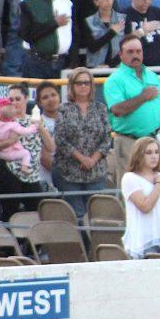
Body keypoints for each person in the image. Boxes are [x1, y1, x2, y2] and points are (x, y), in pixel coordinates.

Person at [104, 35, 160, 184]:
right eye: (130, 52)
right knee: (130, 187)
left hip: (154, 141)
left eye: (138, 51)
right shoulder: (114, 80)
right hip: (129, 142)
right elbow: (117, 110)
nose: (135, 55)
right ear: (121, 55)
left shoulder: (152, 75)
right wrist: (143, 97)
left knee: (156, 184)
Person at [51, 67, 111, 219]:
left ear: (92, 85)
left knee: (96, 215)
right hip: (69, 172)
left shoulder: (101, 108)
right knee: (76, 215)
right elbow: (60, 139)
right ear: (72, 86)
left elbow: (106, 138)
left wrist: (93, 159)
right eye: (79, 83)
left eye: (86, 83)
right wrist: (82, 158)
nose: (83, 86)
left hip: (96, 172)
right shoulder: (64, 109)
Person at [0, 83, 51, 221]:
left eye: (18, 99)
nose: (14, 103)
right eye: (11, 100)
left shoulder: (36, 120)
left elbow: (51, 147)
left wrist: (39, 127)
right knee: (10, 212)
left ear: (26, 99)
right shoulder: (4, 122)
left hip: (31, 174)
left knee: (36, 211)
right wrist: (8, 142)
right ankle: (8, 241)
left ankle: (31, 242)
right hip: (8, 169)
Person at [120, 136, 160, 258]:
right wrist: (158, 184)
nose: (154, 156)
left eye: (157, 152)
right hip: (144, 241)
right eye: (149, 152)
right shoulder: (130, 178)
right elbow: (145, 206)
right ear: (139, 155)